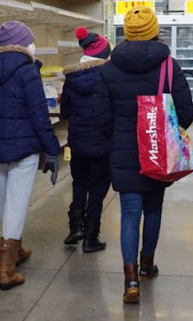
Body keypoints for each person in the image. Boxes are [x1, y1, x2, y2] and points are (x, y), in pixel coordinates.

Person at [93, 6, 193, 304]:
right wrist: (163, 131)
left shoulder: (108, 68)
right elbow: (186, 112)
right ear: (154, 30)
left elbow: (101, 117)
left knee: (128, 215)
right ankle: (148, 265)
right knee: (153, 210)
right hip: (159, 152)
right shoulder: (168, 66)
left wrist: (120, 138)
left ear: (126, 32)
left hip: (124, 153)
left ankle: (131, 281)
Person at [0, 21, 61, 291]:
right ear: (23, 44)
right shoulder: (26, 71)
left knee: (4, 202)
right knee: (17, 204)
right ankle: (6, 270)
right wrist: (53, 150)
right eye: (31, 41)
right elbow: (39, 115)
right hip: (23, 148)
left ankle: (17, 250)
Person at [60, 27, 113, 252]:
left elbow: (65, 112)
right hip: (102, 141)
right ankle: (91, 237)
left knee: (79, 182)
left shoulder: (71, 77)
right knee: (98, 187)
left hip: (78, 140)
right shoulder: (109, 76)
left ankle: (75, 228)